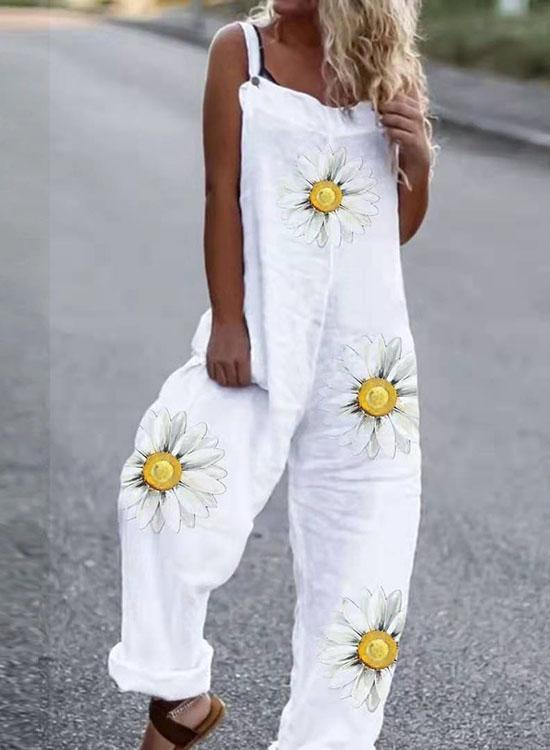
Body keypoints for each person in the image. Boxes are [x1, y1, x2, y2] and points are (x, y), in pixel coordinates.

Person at [108, 0, 432, 747]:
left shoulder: (387, 68)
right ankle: (180, 694)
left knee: (363, 574)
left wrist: (417, 160)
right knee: (162, 490)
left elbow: (389, 232)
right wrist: (229, 319)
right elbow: (220, 191)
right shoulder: (241, 51)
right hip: (262, 332)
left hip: (368, 371)